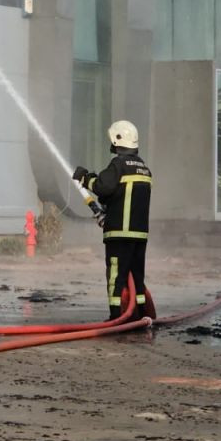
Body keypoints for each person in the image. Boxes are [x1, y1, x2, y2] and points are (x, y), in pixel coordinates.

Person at [73, 120, 153, 320]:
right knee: (137, 277)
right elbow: (118, 195)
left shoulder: (118, 164)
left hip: (119, 234)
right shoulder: (144, 168)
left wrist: (85, 178)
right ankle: (142, 315)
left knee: (115, 278)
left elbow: (102, 187)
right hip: (139, 235)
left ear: (118, 140)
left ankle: (116, 317)